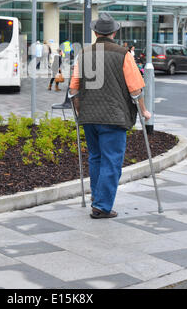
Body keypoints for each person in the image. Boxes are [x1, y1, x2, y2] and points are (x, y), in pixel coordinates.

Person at [69, 13, 151, 219]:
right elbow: (136, 89)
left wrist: (80, 111)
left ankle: (97, 199)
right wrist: (144, 110)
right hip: (114, 117)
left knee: (95, 158)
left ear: (96, 32)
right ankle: (102, 206)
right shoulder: (123, 54)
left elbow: (73, 89)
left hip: (89, 116)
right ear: (114, 32)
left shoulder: (84, 54)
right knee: (112, 161)